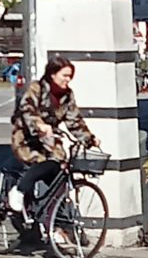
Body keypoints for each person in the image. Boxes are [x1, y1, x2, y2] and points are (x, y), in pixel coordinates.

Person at [8, 55, 99, 215]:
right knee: (44, 162)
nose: (68, 79)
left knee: (59, 170)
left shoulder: (67, 96)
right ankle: (19, 191)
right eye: (65, 75)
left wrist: (89, 139)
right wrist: (39, 125)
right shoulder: (38, 88)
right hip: (27, 137)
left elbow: (74, 120)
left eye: (70, 76)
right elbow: (27, 109)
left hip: (48, 139)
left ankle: (56, 221)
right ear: (53, 74)